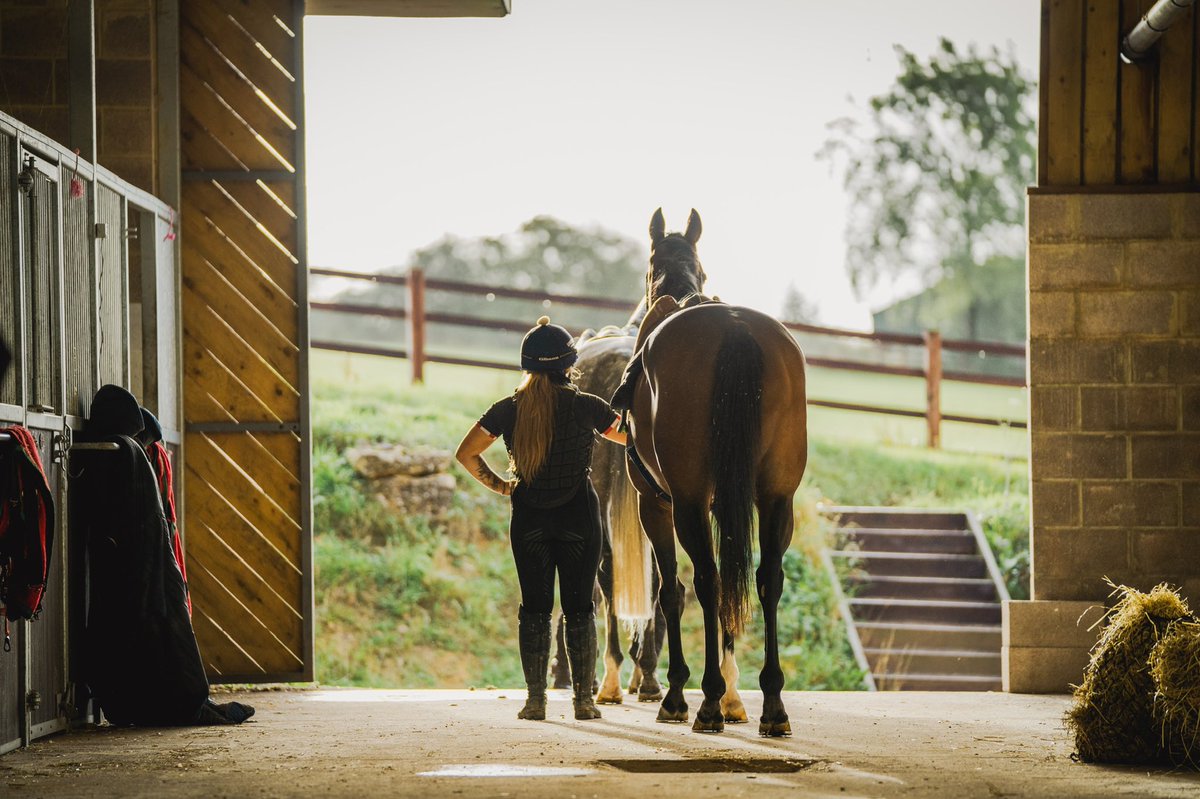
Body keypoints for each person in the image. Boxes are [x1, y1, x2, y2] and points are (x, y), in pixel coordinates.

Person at [455, 316, 626, 721]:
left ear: (526, 366)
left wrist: (501, 486)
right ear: (569, 365)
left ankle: (536, 701)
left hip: (528, 519)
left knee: (534, 608)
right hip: (580, 519)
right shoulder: (587, 407)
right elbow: (629, 438)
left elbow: (466, 453)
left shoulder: (507, 410)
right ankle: (584, 702)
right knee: (580, 607)